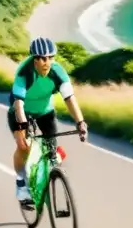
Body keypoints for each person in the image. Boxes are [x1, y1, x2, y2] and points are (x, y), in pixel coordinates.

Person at [9, 37, 88, 206]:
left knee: (52, 151)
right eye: (42, 59)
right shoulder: (24, 72)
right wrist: (22, 123)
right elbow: (18, 104)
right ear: (34, 59)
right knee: (23, 146)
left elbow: (69, 98)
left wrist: (80, 122)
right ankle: (21, 183)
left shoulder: (57, 72)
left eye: (50, 58)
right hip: (21, 111)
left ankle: (48, 167)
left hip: (45, 111)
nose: (46, 62)